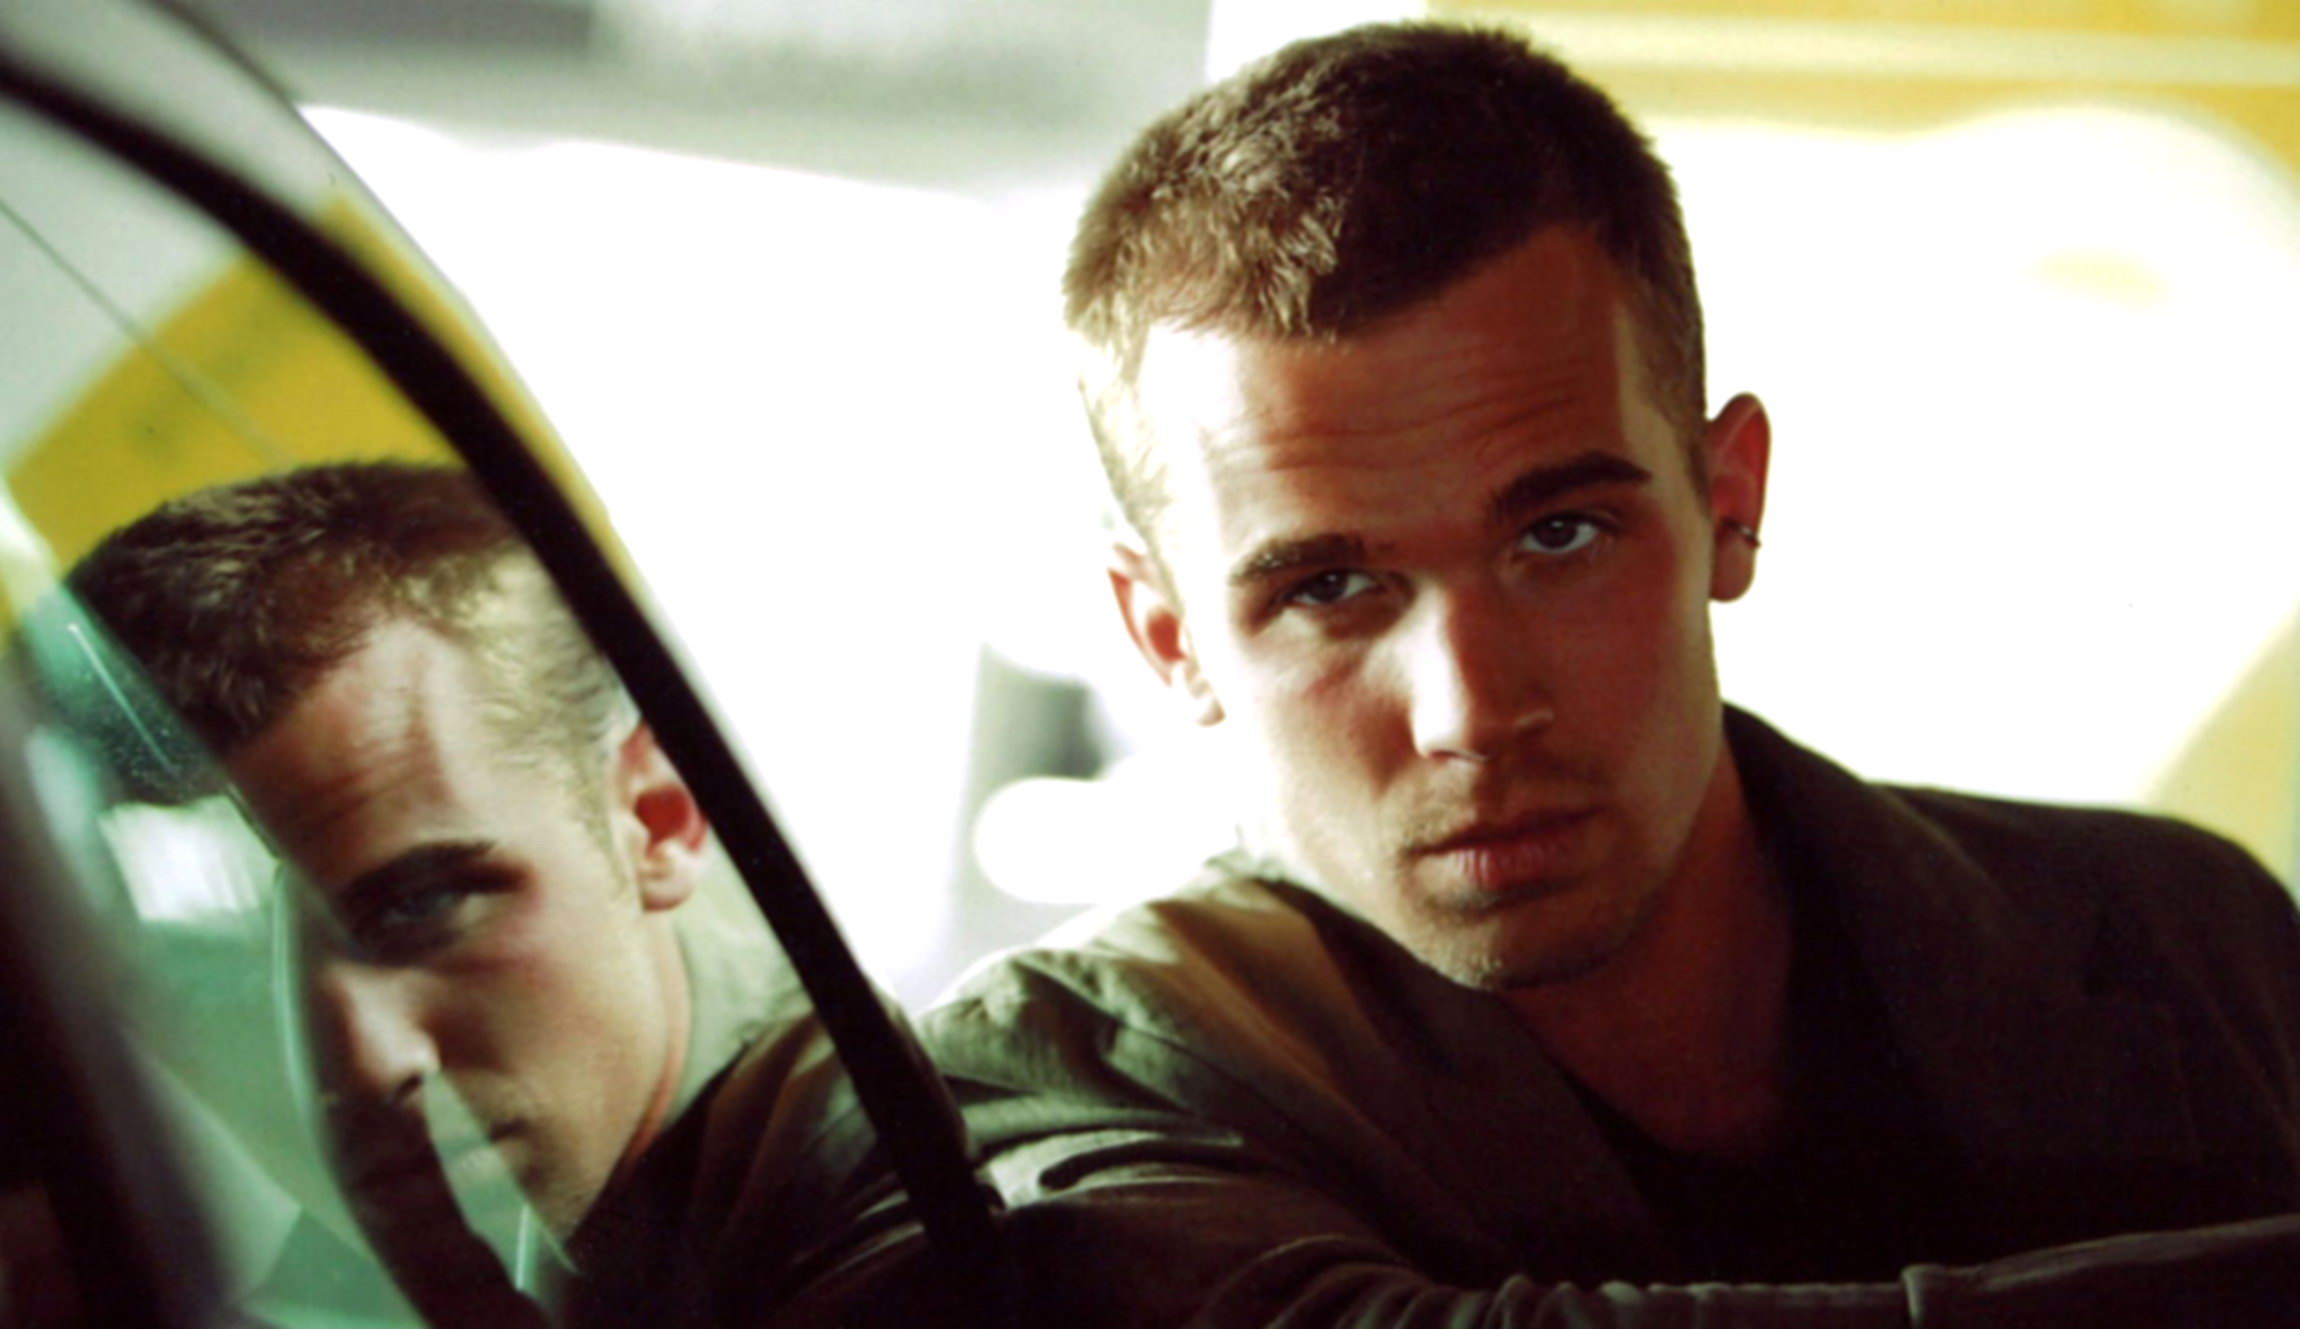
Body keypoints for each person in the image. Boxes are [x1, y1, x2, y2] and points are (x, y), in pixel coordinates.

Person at [922, 22, 2300, 1325]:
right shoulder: (1052, 1072)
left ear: (1729, 502)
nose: (1471, 712)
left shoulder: (2193, 939)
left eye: (1558, 535)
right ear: (1168, 639)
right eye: (1326, 590)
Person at [68, 462, 904, 1326]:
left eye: (426, 905)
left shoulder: (919, 1211)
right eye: (229, 972)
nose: (365, 1063)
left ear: (656, 823)